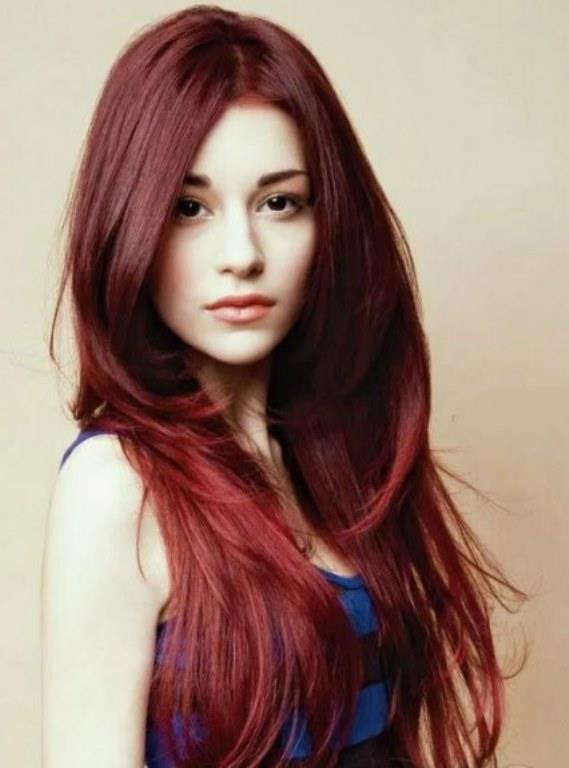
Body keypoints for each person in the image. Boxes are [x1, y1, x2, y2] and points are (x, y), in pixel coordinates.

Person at [41, 5, 529, 767]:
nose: (241, 253)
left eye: (279, 202)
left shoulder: (329, 464)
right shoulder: (120, 484)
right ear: (128, 224)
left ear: (327, 224)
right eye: (189, 208)